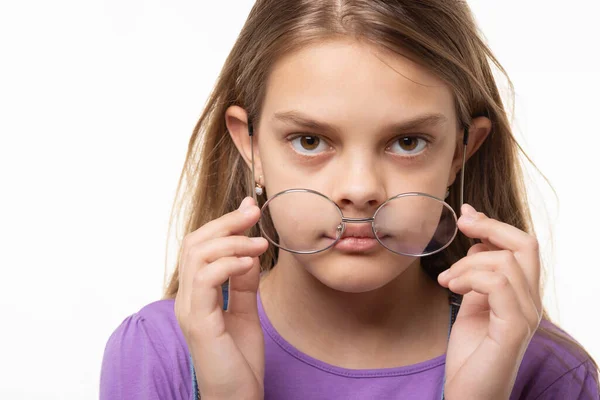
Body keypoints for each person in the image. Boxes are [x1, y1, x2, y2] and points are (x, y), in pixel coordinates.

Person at [99, 1, 600, 399]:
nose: (360, 189)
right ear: (249, 145)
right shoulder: (157, 352)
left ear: (459, 154)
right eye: (310, 141)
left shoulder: (547, 373)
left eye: (407, 142)